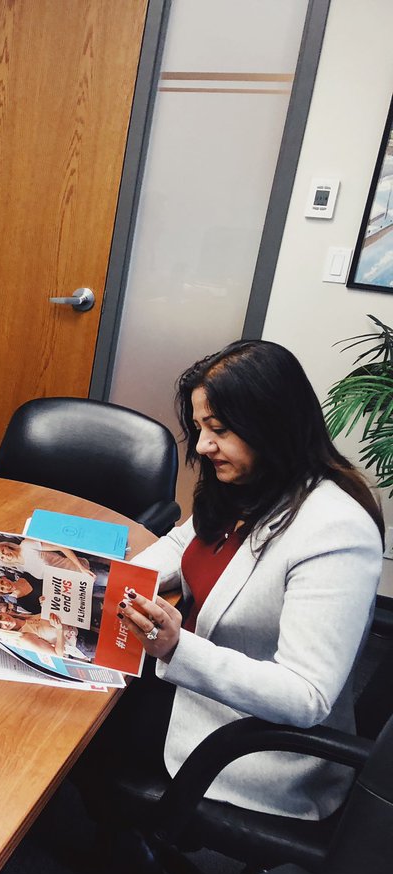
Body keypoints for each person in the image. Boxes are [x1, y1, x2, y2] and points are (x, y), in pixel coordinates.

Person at [104, 339, 384, 821]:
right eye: (199, 428)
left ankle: (118, 843)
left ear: (273, 425)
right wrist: (109, 581)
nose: (204, 445)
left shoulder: (335, 530)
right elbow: (181, 544)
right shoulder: (248, 484)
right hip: (193, 691)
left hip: (247, 741)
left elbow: (306, 695)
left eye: (220, 429)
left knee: (81, 737)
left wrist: (176, 649)